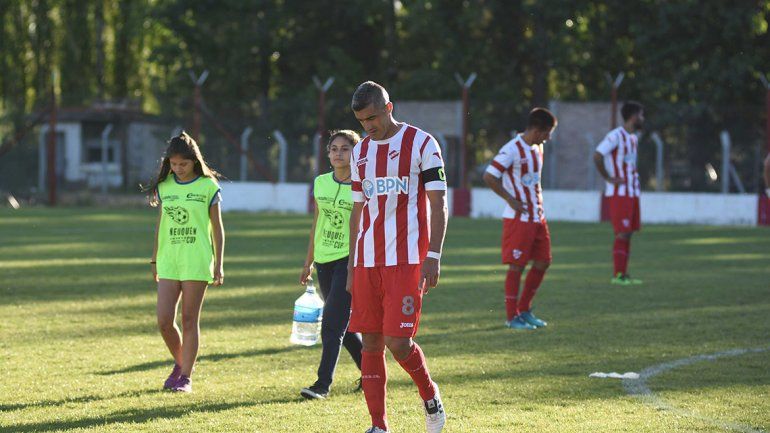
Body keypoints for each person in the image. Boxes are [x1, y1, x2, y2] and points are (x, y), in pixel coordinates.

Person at [346, 81, 448, 433]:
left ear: (389, 107)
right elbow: (357, 212)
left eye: (373, 117)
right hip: (367, 261)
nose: (368, 126)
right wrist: (350, 265)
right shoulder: (359, 152)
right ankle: (379, 425)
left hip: (407, 259)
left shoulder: (422, 143)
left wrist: (433, 254)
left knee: (398, 342)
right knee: (370, 342)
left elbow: (439, 203)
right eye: (362, 121)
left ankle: (430, 395)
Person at [146, 131, 225, 393]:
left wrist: (220, 264)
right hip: (169, 261)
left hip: (197, 261)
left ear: (194, 161)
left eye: (183, 164)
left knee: (190, 320)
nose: (178, 169)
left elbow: (217, 228)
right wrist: (155, 259)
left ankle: (186, 377)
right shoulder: (165, 186)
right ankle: (180, 364)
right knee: (164, 320)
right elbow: (160, 224)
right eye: (173, 164)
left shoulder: (208, 187)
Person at [299, 130, 364, 400]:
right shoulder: (321, 182)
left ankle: (322, 385)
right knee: (344, 326)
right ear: (327, 154)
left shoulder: (363, 185)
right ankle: (371, 371)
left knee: (332, 324)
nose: (339, 153)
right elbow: (317, 222)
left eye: (345, 148)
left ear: (356, 153)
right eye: (334, 148)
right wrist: (308, 261)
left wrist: (356, 263)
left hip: (349, 260)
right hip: (324, 259)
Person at [482, 108, 557, 330]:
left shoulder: (538, 148)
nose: (549, 137)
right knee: (516, 266)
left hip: (537, 217)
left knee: (544, 262)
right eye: (547, 132)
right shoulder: (512, 149)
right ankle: (511, 316)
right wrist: (510, 198)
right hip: (518, 219)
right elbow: (489, 175)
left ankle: (524, 310)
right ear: (536, 129)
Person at [593, 101, 644, 285]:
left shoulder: (633, 138)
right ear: (633, 116)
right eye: (641, 115)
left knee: (628, 232)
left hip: (632, 192)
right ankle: (618, 275)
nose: (643, 119)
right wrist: (608, 177)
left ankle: (624, 273)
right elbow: (597, 155)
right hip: (619, 192)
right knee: (622, 232)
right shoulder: (615, 136)